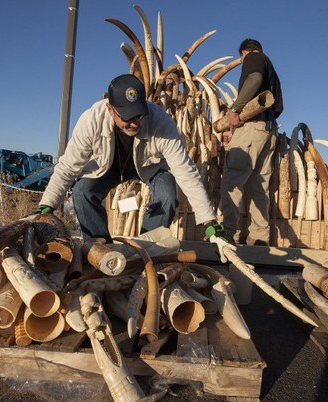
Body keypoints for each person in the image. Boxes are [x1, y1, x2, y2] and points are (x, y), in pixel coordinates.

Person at [35, 74, 234, 262]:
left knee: (167, 192)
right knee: (82, 191)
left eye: (138, 116)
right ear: (110, 109)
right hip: (108, 167)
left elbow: (186, 172)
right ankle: (101, 249)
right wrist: (46, 207)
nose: (133, 123)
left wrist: (210, 224)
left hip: (150, 167)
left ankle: (145, 251)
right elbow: (67, 168)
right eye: (127, 117)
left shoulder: (160, 122)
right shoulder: (91, 121)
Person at [221, 38, 283, 246]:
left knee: (233, 180)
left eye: (241, 58)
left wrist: (235, 109)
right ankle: (259, 236)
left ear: (243, 52)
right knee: (259, 185)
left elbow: (254, 79)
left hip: (252, 128)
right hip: (269, 130)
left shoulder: (254, 58)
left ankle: (228, 232)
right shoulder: (272, 69)